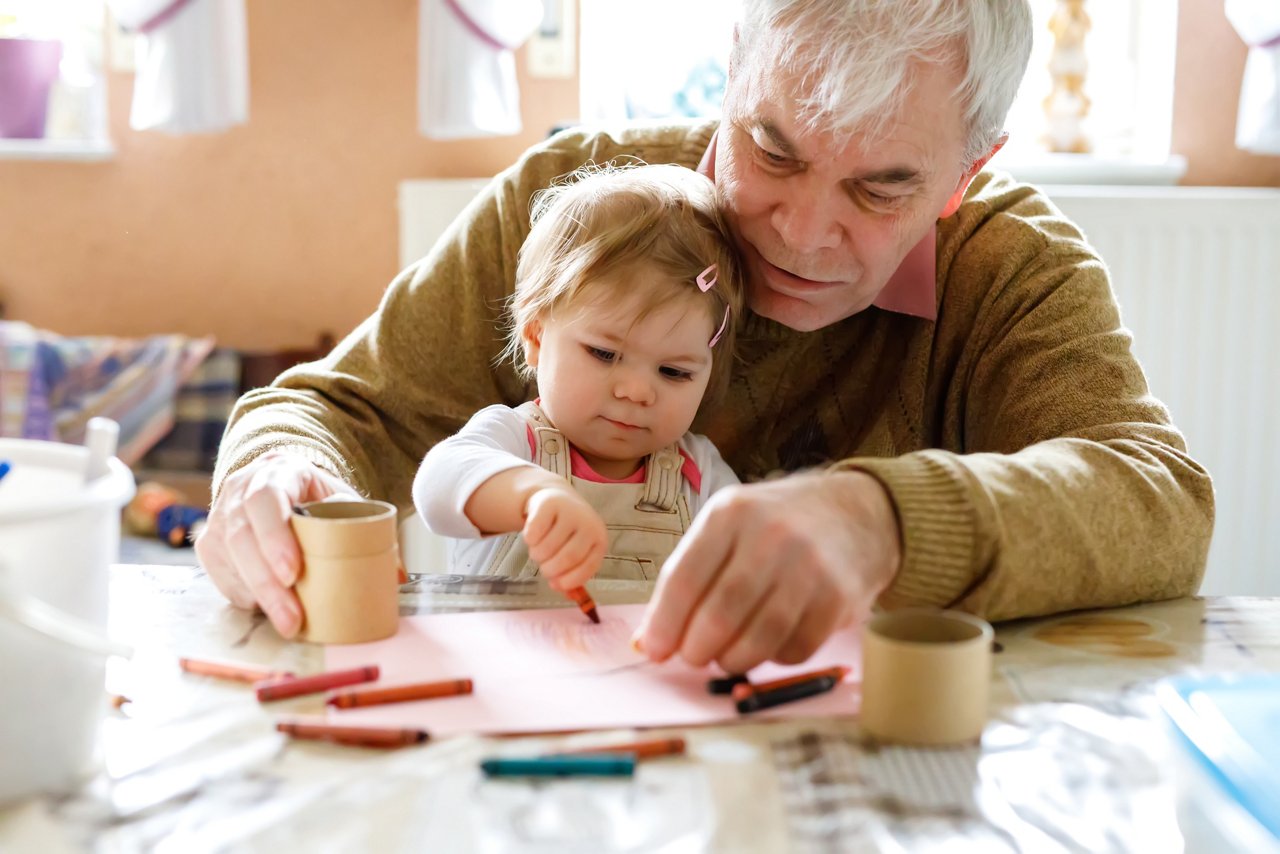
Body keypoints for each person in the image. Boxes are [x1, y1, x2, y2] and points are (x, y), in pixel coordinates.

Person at [196, 0, 1213, 675]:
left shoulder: (1009, 268)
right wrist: (276, 470)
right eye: (771, 147)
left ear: (964, 173)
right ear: (732, 71)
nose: (803, 232)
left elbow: (1156, 500)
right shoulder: (583, 209)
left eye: (881, 186)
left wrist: (882, 519)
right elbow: (334, 406)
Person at [412, 164, 743, 589]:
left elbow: (752, 555)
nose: (637, 391)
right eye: (604, 354)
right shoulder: (515, 440)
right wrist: (530, 495)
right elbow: (436, 487)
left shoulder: (697, 472)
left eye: (674, 372)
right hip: (511, 654)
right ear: (535, 336)